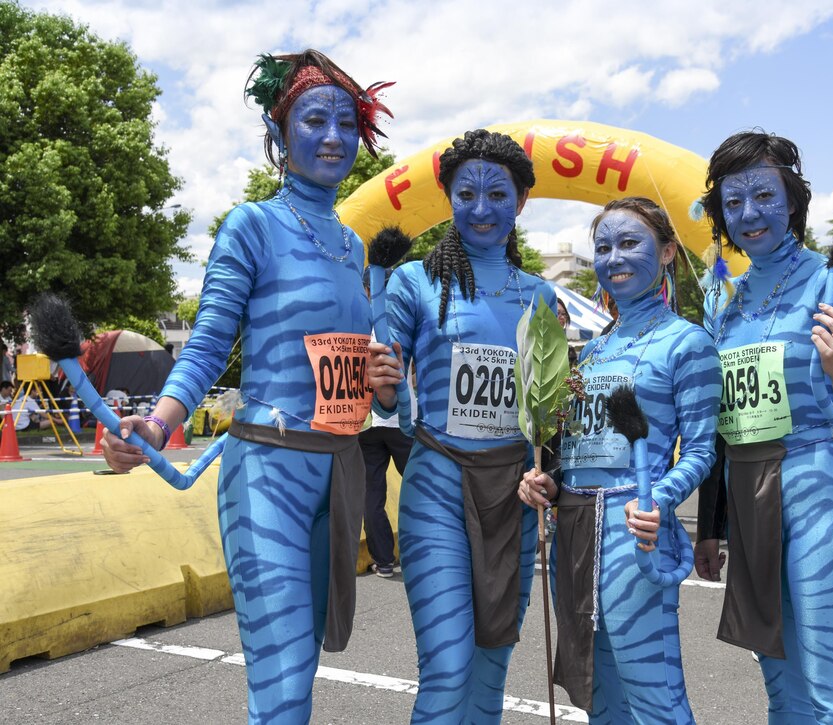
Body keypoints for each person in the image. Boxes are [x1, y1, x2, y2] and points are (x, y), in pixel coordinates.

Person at [99, 49, 391, 722]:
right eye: (314, 120)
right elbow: (205, 346)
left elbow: (359, 374)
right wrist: (158, 420)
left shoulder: (354, 247)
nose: (332, 137)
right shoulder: (251, 227)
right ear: (280, 132)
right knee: (282, 681)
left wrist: (384, 380)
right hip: (268, 471)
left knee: (304, 671)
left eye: (346, 124)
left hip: (339, 472)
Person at [366, 129, 557, 724]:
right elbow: (387, 401)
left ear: (520, 202)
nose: (481, 208)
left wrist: (546, 473)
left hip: (515, 497)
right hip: (438, 483)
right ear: (448, 195)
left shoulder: (541, 295)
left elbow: (547, 414)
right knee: (448, 669)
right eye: (466, 192)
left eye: (498, 194)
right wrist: (384, 383)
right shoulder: (415, 282)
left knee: (490, 667)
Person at [696, 131, 833, 724]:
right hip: (747, 495)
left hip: (820, 486)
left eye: (763, 196)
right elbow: (721, 429)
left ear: (792, 200)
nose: (749, 214)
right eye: (733, 202)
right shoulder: (728, 302)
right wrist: (711, 527)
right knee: (782, 690)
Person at [518, 197, 721, 722]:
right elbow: (578, 447)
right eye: (603, 247)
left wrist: (662, 499)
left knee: (654, 693)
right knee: (598, 690)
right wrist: (550, 484)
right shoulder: (592, 351)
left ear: (669, 251)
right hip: (574, 530)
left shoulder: (687, 342)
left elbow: (701, 450)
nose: (614, 257)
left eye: (630, 243)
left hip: (637, 532)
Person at [358, 381, 416, 577]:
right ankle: (424, 553)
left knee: (371, 493)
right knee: (419, 488)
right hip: (403, 420)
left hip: (368, 422)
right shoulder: (398, 348)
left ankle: (383, 562)